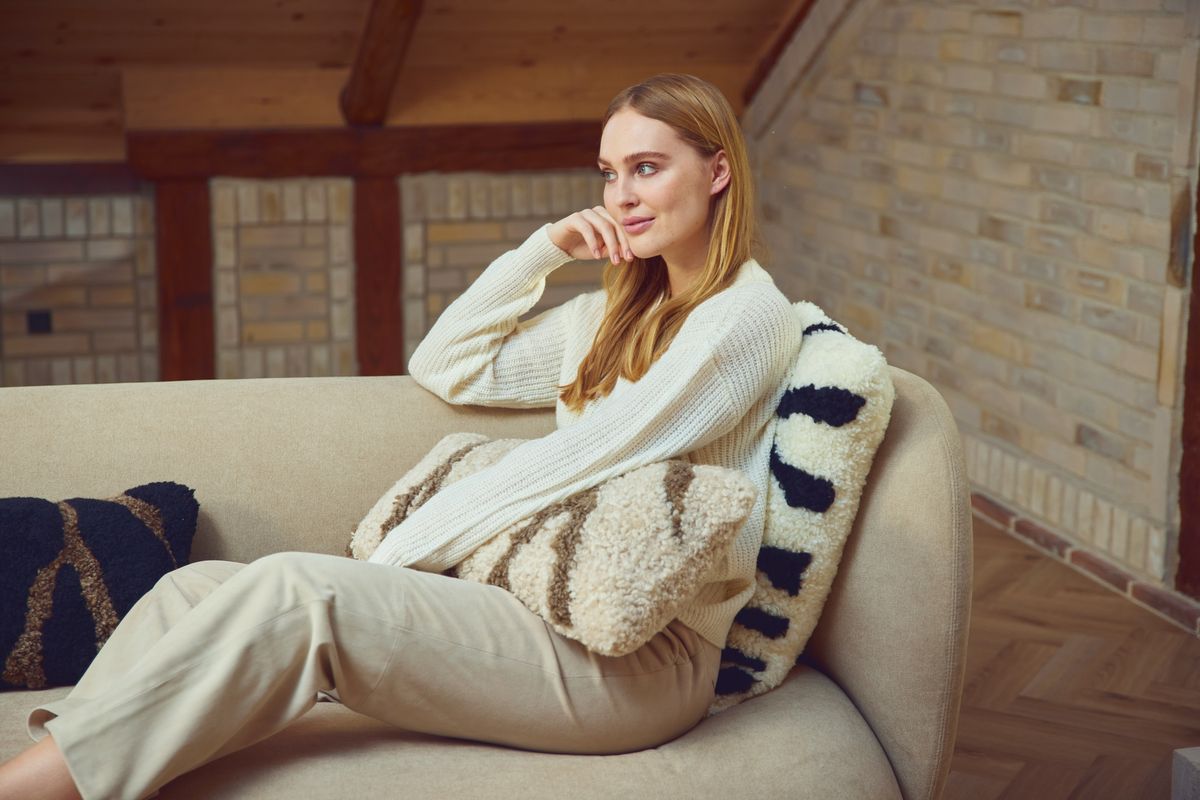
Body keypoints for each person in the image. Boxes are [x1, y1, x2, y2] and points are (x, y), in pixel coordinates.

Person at [0, 72, 802, 800]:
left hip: (640, 664)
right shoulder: (606, 316)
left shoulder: (746, 318)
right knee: (194, 588)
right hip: (533, 612)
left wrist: (387, 563)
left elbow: (585, 456)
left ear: (718, 170)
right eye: (608, 172)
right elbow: (447, 362)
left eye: (648, 168)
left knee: (295, 595)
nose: (621, 195)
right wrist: (544, 250)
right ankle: (56, 770)